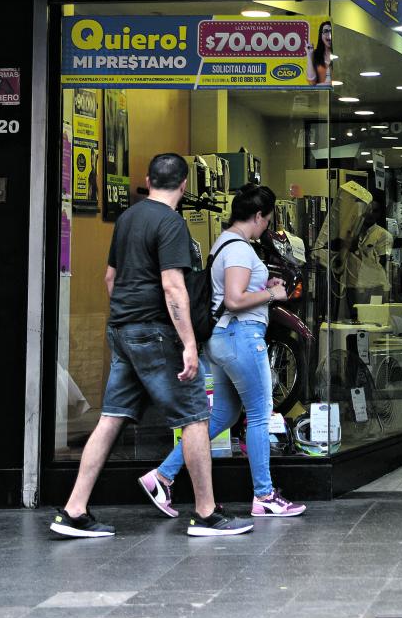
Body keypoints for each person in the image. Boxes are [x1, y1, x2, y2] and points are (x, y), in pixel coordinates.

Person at [51, 152, 253, 539]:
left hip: (123, 330)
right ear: (184, 185)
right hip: (156, 333)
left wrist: (126, 318)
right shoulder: (171, 223)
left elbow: (110, 278)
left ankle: (73, 510)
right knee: (195, 417)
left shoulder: (128, 218)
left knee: (111, 417)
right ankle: (206, 513)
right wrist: (189, 343)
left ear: (148, 180)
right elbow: (173, 286)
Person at [140, 183, 307, 520]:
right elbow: (233, 299)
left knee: (224, 415)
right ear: (258, 216)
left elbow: (229, 292)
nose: (267, 227)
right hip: (241, 337)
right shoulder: (240, 249)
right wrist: (273, 294)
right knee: (260, 414)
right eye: (267, 220)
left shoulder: (224, 243)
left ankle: (162, 476)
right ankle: (265, 496)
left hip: (224, 339)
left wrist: (262, 286)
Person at [309, 21, 333, 85]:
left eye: (331, 31)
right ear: (321, 35)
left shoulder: (339, 53)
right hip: (320, 90)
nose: (329, 34)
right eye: (326, 31)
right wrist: (309, 55)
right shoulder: (315, 54)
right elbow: (311, 82)